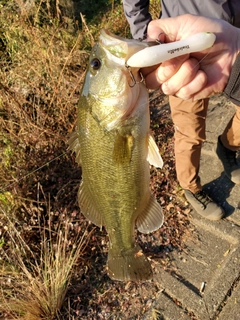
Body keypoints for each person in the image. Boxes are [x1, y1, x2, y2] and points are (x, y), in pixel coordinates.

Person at [123, 1, 240, 221]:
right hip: (181, 50)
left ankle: (227, 147)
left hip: (235, 37)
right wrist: (146, 42)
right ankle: (190, 187)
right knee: (189, 132)